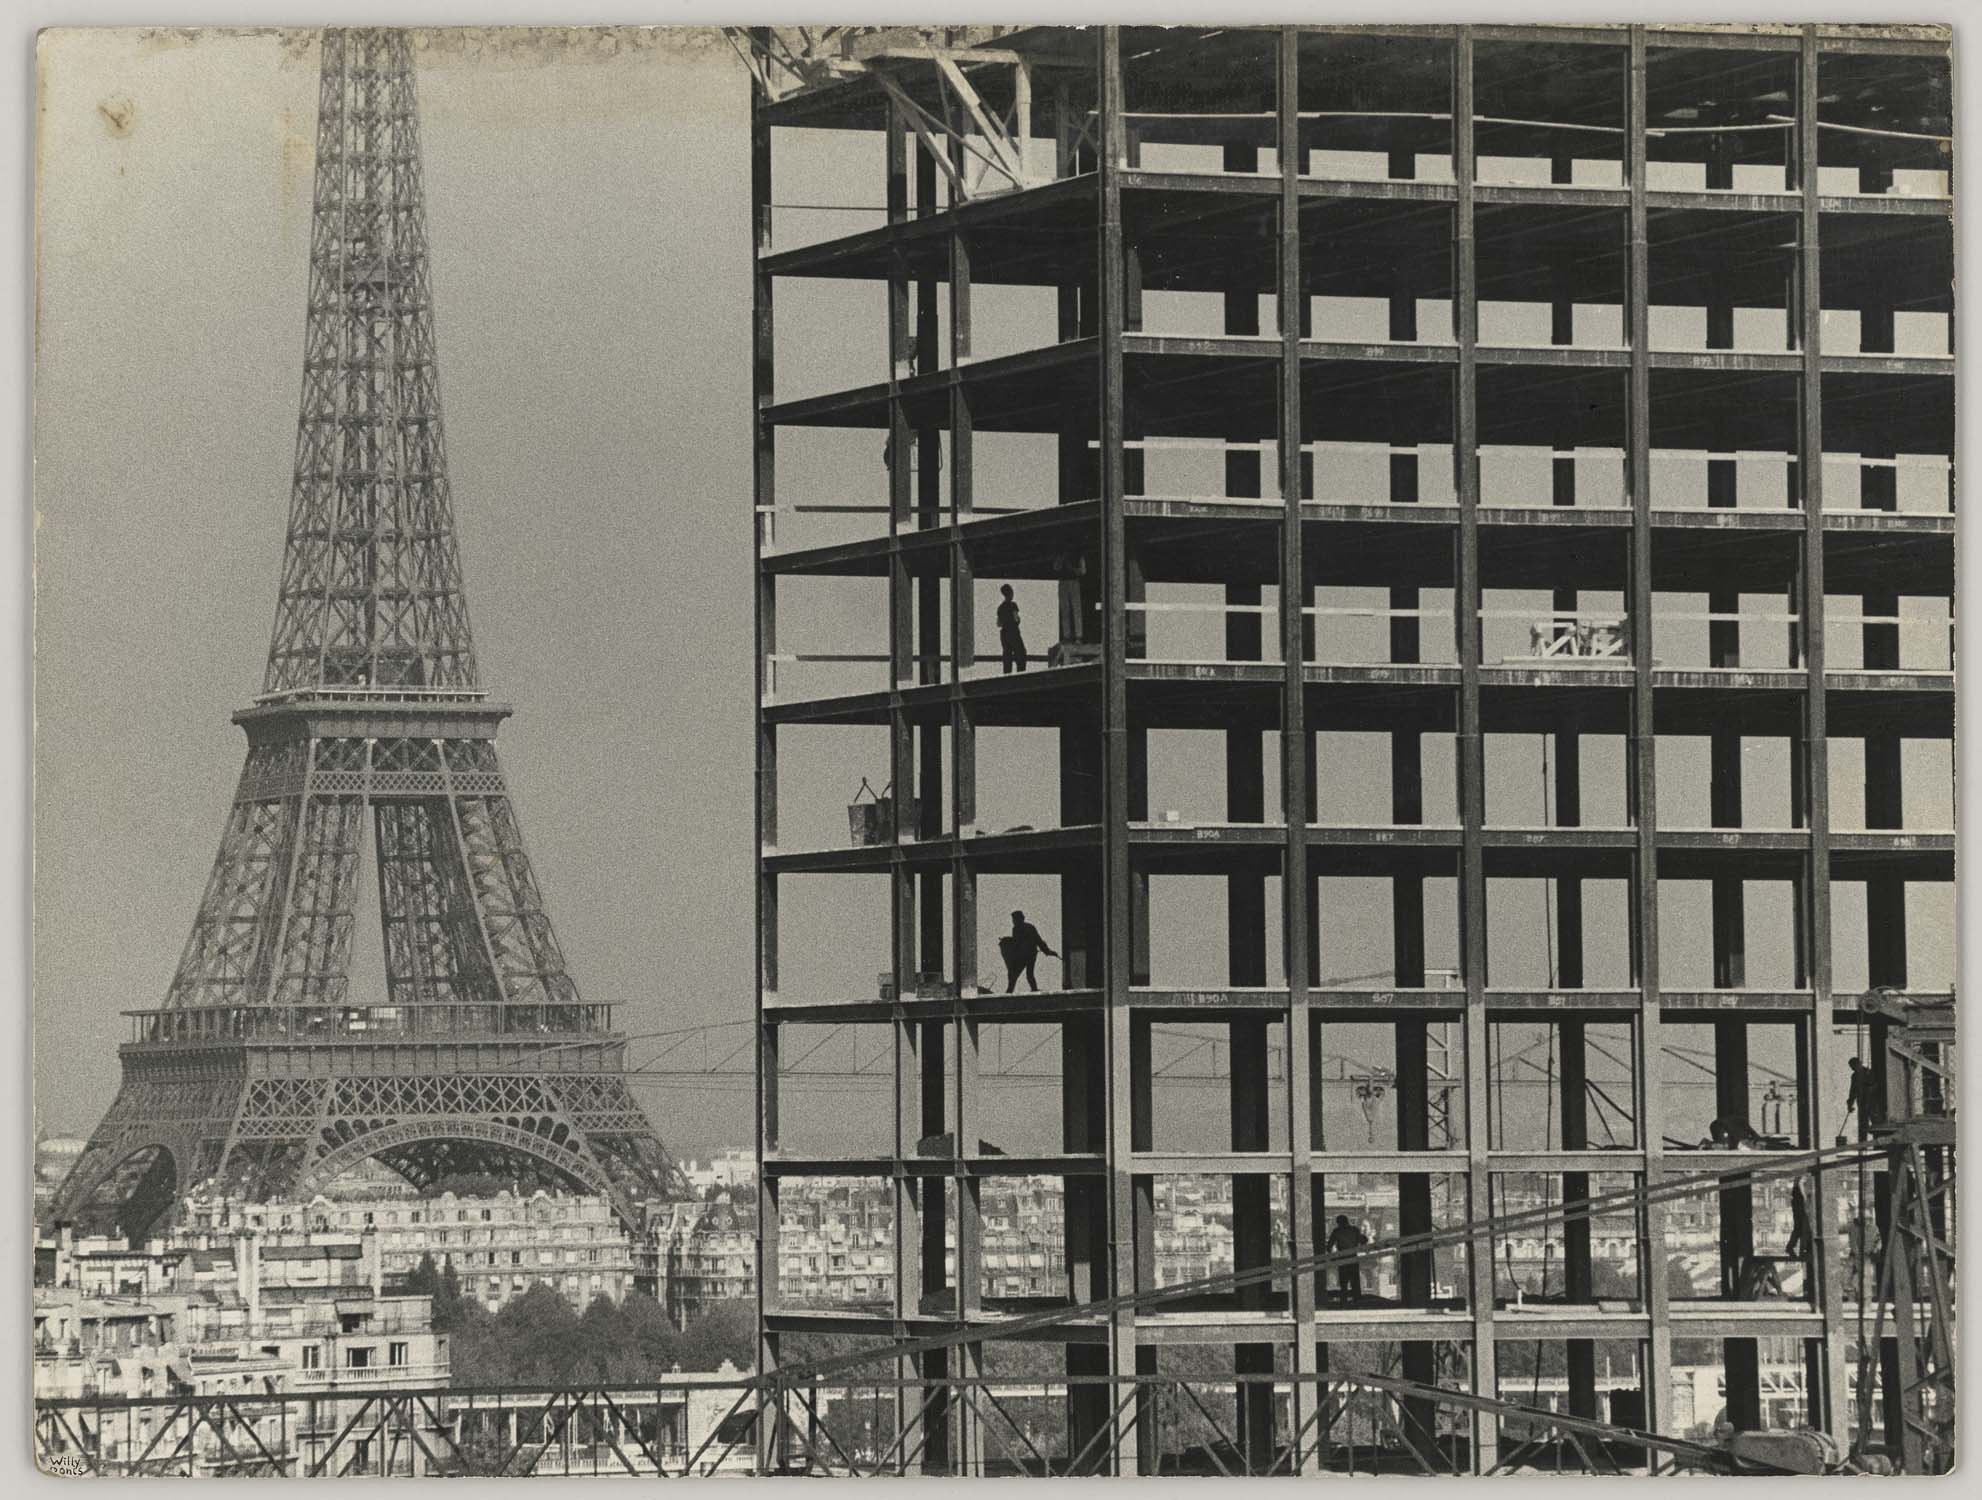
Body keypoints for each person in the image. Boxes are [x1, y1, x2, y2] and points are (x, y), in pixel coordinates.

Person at [997, 911, 1058, 994]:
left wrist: (1007, 941)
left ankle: (1010, 992)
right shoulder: (1027, 927)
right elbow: (1038, 941)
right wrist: (1047, 951)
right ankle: (1032, 990)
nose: (1013, 921)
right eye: (1013, 920)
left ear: (1020, 919)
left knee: (1017, 975)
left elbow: (1019, 943)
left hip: (1025, 956)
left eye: (1014, 919)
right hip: (1029, 955)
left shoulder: (1018, 928)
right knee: (1028, 975)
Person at [1327, 1214, 1366, 1302]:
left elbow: (1329, 1245)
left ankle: (1344, 1300)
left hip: (1342, 1258)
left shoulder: (1337, 1231)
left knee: (1343, 1281)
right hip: (1353, 1258)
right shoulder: (1354, 1230)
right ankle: (1357, 1300)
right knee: (1355, 1281)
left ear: (1339, 1223)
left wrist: (1331, 1256)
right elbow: (1363, 1241)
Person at [996, 585, 1028, 674]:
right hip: (1013, 632)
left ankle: (1006, 676)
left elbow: (998, 624)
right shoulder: (1013, 605)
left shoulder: (1000, 607)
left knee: (1007, 656)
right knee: (1021, 653)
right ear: (1010, 593)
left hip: (1004, 633)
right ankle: (1021, 675)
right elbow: (1016, 619)